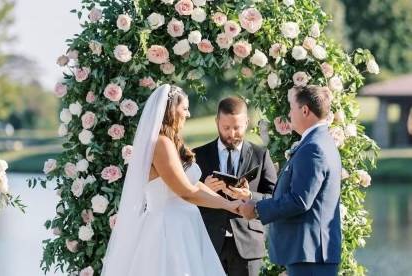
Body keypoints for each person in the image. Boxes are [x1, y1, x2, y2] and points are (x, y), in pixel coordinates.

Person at [101, 84, 241, 276]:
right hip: (168, 231)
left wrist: (232, 200)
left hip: (186, 226)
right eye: (184, 108)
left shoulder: (172, 142)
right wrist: (230, 206)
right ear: (170, 110)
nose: (189, 114)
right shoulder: (161, 144)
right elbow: (186, 192)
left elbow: (193, 184)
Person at [239, 85, 342, 276]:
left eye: (291, 108)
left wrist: (256, 209)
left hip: (310, 255)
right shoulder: (319, 141)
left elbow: (300, 200)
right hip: (310, 254)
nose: (288, 113)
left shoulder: (314, 148)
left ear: (305, 110)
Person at [193, 97, 277, 276]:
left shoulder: (260, 155)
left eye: (237, 127)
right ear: (217, 122)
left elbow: (275, 197)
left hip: (248, 245)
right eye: (226, 128)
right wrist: (203, 189)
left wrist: (249, 196)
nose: (232, 133)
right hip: (209, 242)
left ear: (246, 122)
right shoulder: (198, 155)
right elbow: (185, 198)